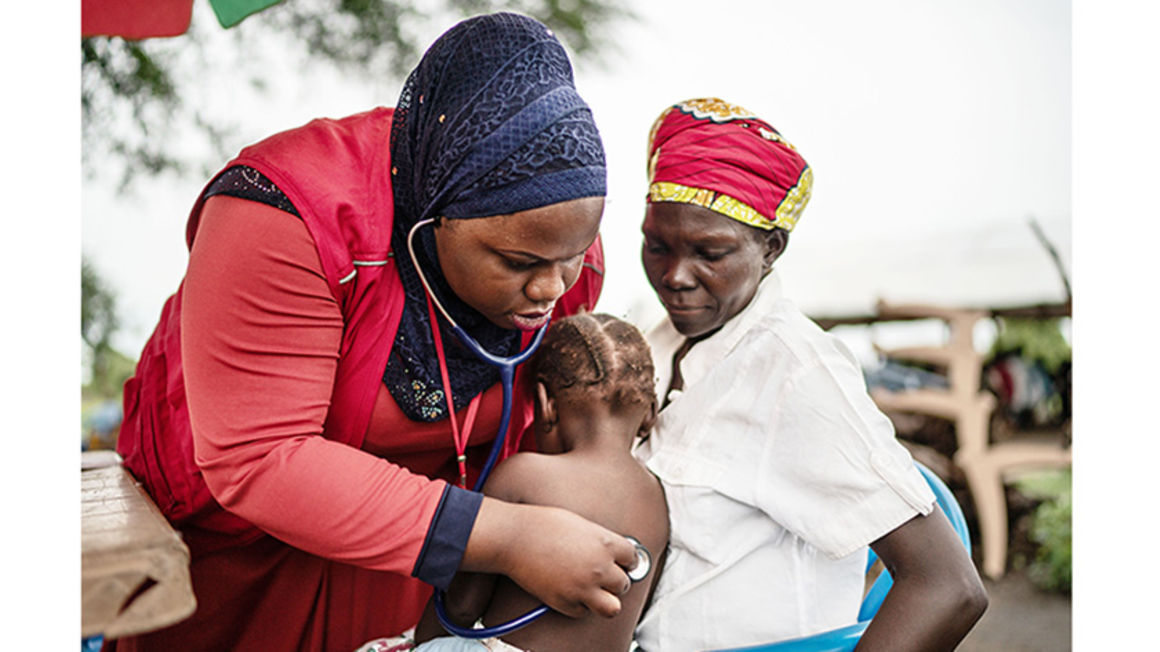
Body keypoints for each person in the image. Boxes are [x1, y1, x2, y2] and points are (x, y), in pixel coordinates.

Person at [110, 14, 642, 652]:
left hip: (413, 577)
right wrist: (507, 538)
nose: (553, 291)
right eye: (518, 264)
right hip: (236, 566)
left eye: (575, 255)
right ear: (434, 213)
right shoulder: (283, 215)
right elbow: (262, 457)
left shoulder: (556, 244)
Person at [632, 98, 988, 651]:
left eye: (711, 252)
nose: (675, 275)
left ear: (771, 248)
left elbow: (948, 586)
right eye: (657, 246)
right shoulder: (662, 344)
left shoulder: (793, 371)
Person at [361, 313, 668, 652]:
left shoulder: (524, 475)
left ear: (545, 404)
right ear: (651, 413)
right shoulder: (657, 499)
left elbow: (462, 607)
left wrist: (423, 643)